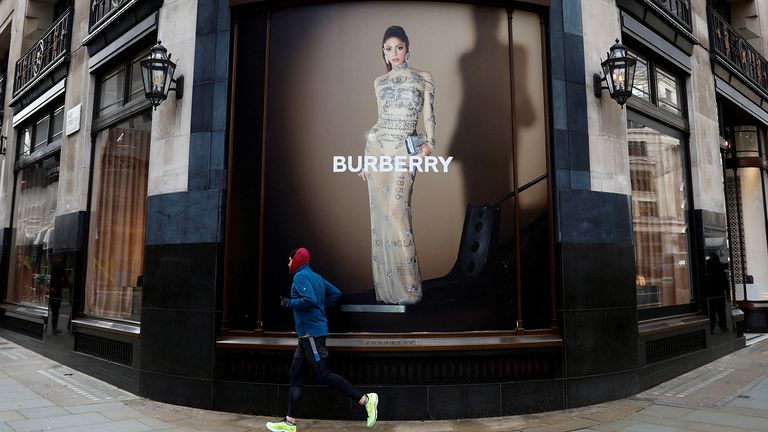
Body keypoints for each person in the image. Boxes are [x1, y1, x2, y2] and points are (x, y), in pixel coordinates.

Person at [360, 25, 436, 305]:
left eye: (399, 47)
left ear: (407, 48)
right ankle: (388, 292)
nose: (394, 53)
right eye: (388, 49)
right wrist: (366, 160)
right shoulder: (379, 83)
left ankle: (410, 291)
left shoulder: (423, 78)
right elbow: (380, 120)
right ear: (383, 52)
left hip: (406, 148)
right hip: (378, 148)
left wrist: (429, 143)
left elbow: (428, 116)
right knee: (381, 217)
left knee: (396, 212)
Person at [266, 248, 379, 432]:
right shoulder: (316, 277)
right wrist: (320, 306)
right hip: (306, 336)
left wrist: (289, 303)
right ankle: (289, 423)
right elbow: (335, 293)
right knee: (295, 374)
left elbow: (309, 299)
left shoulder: (300, 277)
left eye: (289, 260)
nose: (288, 264)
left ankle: (366, 400)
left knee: (323, 374)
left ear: (296, 260)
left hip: (311, 334)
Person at [704, 252, 729, 334]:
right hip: (719, 293)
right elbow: (725, 282)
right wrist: (728, 294)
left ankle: (712, 327)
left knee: (712, 312)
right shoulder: (720, 267)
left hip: (711, 294)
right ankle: (722, 325)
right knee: (721, 312)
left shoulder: (707, 268)